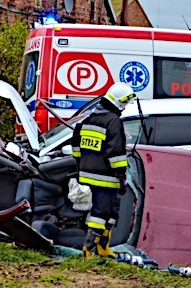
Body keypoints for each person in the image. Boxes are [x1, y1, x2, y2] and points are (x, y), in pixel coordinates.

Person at [72, 83, 135, 258]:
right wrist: (121, 175)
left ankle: (103, 248)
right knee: (101, 213)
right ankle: (88, 249)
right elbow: (116, 153)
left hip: (87, 175)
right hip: (106, 177)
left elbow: (76, 149)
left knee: (111, 211)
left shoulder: (88, 120)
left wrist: (82, 165)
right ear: (119, 103)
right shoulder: (113, 121)